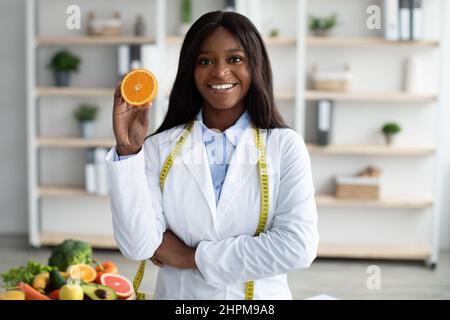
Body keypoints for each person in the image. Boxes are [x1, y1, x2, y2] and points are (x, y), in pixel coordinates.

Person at [107, 10, 319, 300]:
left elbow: (298, 247)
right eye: (205, 61)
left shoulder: (285, 147)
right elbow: (138, 246)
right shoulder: (157, 148)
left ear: (255, 65)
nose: (219, 72)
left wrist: (190, 257)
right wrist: (128, 151)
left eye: (235, 59)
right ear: (190, 71)